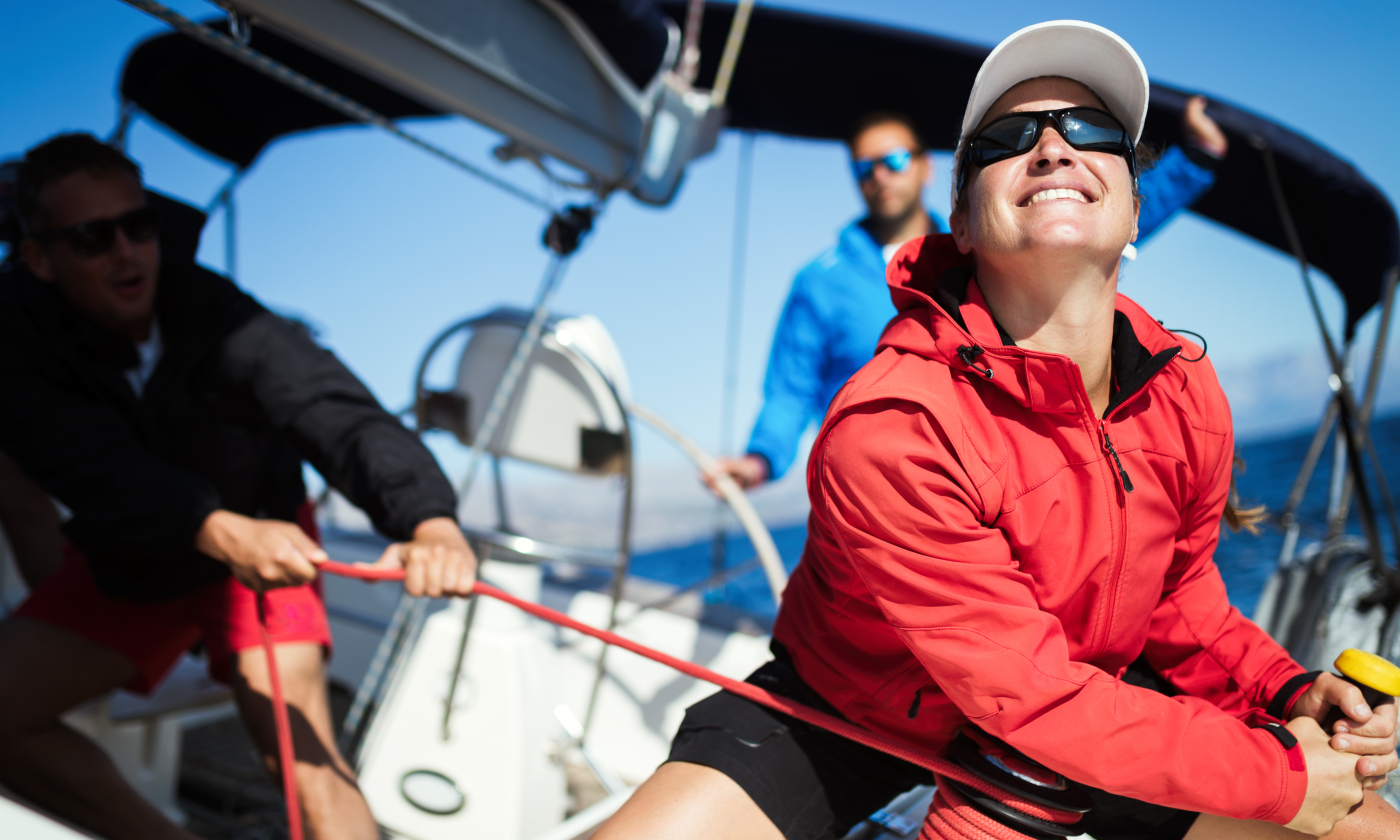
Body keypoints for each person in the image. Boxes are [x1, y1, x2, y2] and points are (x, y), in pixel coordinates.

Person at [600, 20, 1400, 840]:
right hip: (854, 703)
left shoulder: (1185, 392)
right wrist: (1278, 773)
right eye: (1007, 141)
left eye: (1092, 132)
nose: (1053, 149)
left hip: (1079, 698)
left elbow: (1176, 600)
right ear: (961, 222)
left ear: (1134, 208)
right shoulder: (890, 427)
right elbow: (1029, 693)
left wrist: (1284, 691)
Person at [0, 133, 476, 840]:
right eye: (93, 238)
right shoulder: (13, 339)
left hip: (267, 534)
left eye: (139, 225)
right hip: (137, 550)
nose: (127, 253)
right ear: (40, 258)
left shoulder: (217, 310)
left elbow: (332, 408)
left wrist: (429, 519)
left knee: (306, 763)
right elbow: (87, 462)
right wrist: (216, 530)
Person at [711, 95, 1229, 492]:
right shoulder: (819, 283)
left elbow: (1087, 219)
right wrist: (759, 461)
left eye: (893, 160)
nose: (879, 176)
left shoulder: (987, 246)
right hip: (872, 486)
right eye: (863, 169)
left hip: (994, 478)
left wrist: (1197, 159)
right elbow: (790, 390)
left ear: (924, 166)